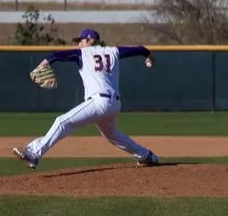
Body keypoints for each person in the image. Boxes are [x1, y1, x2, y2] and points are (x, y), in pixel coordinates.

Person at [12, 28, 159, 169]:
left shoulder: (83, 53)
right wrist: (149, 57)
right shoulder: (114, 51)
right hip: (114, 104)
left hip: (98, 102)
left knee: (62, 121)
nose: (78, 44)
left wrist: (44, 62)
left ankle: (34, 153)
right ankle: (147, 155)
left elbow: (57, 55)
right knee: (113, 135)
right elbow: (140, 49)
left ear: (89, 40)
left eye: (80, 41)